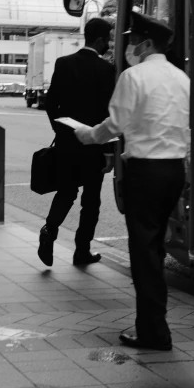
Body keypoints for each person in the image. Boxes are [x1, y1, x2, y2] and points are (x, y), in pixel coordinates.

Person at [75, 12, 190, 351]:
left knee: (144, 253)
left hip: (145, 172)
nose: (129, 46)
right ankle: (155, 326)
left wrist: (87, 135)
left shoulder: (133, 76)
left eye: (133, 39)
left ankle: (154, 332)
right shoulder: (182, 78)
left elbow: (115, 125)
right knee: (154, 249)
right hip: (173, 171)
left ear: (147, 43)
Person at [38, 17, 115, 268]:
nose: (109, 44)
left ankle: (49, 230)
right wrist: (108, 150)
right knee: (91, 201)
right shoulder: (106, 70)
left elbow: (51, 104)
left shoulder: (63, 63)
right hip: (93, 146)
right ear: (101, 39)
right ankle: (82, 251)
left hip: (67, 144)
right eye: (108, 39)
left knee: (67, 191)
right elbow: (108, 115)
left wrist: (61, 131)